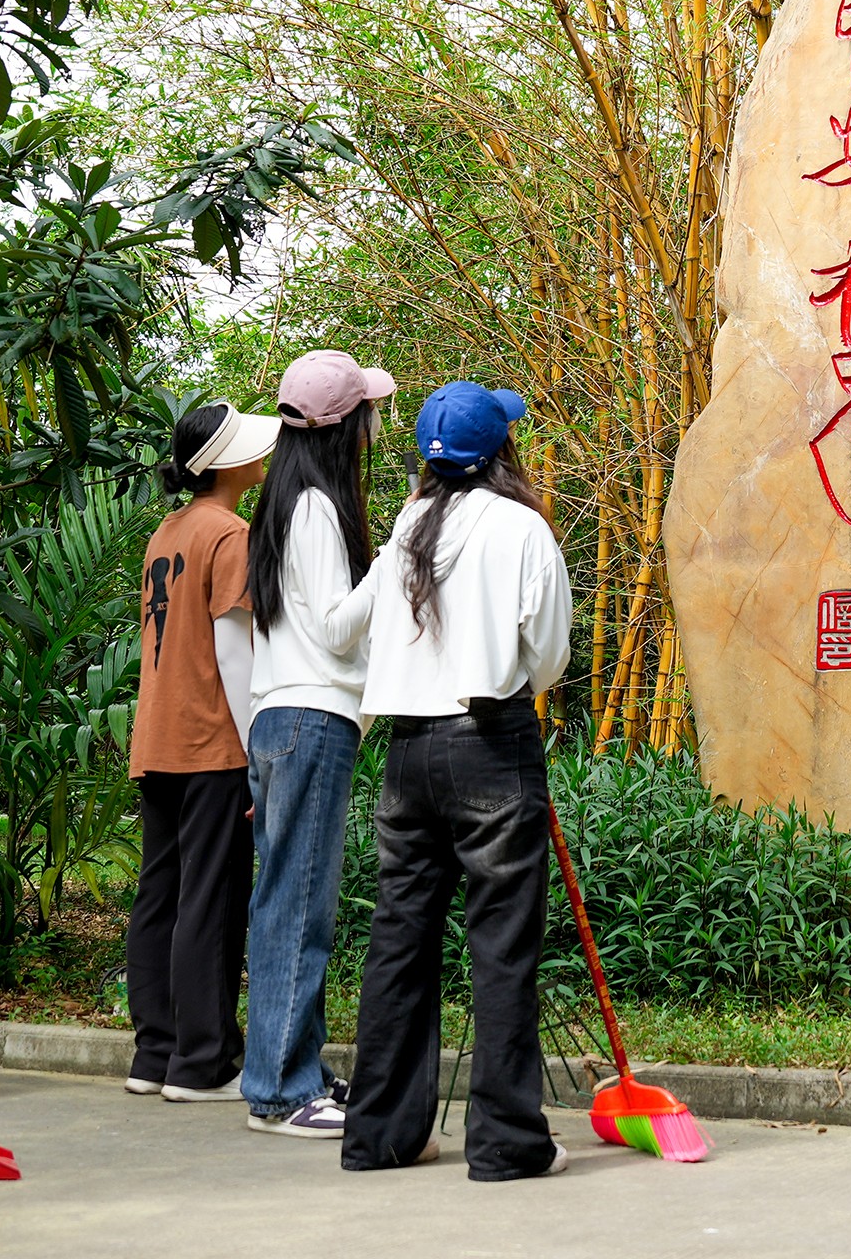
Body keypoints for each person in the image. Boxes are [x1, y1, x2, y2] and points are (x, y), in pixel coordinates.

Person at [341, 382, 571, 1180]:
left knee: (399, 940)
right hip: (491, 745)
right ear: (503, 448)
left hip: (407, 754)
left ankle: (382, 1136)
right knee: (501, 947)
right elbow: (548, 655)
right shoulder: (522, 527)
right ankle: (506, 1143)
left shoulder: (406, 527)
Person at [240, 349, 396, 1138]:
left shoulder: (283, 503)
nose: (376, 424)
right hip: (311, 720)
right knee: (300, 907)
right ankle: (280, 1090)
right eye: (368, 411)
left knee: (285, 902)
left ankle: (292, 1067)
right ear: (342, 426)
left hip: (280, 719)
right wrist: (393, 559)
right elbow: (336, 629)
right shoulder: (315, 509)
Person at [125, 399, 281, 1101]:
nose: (262, 454)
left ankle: (154, 1055)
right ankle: (202, 1062)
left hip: (157, 737)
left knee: (160, 894)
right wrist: (257, 756)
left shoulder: (168, 530)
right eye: (249, 445)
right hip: (212, 742)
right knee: (210, 899)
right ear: (226, 464)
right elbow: (233, 652)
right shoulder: (230, 533)